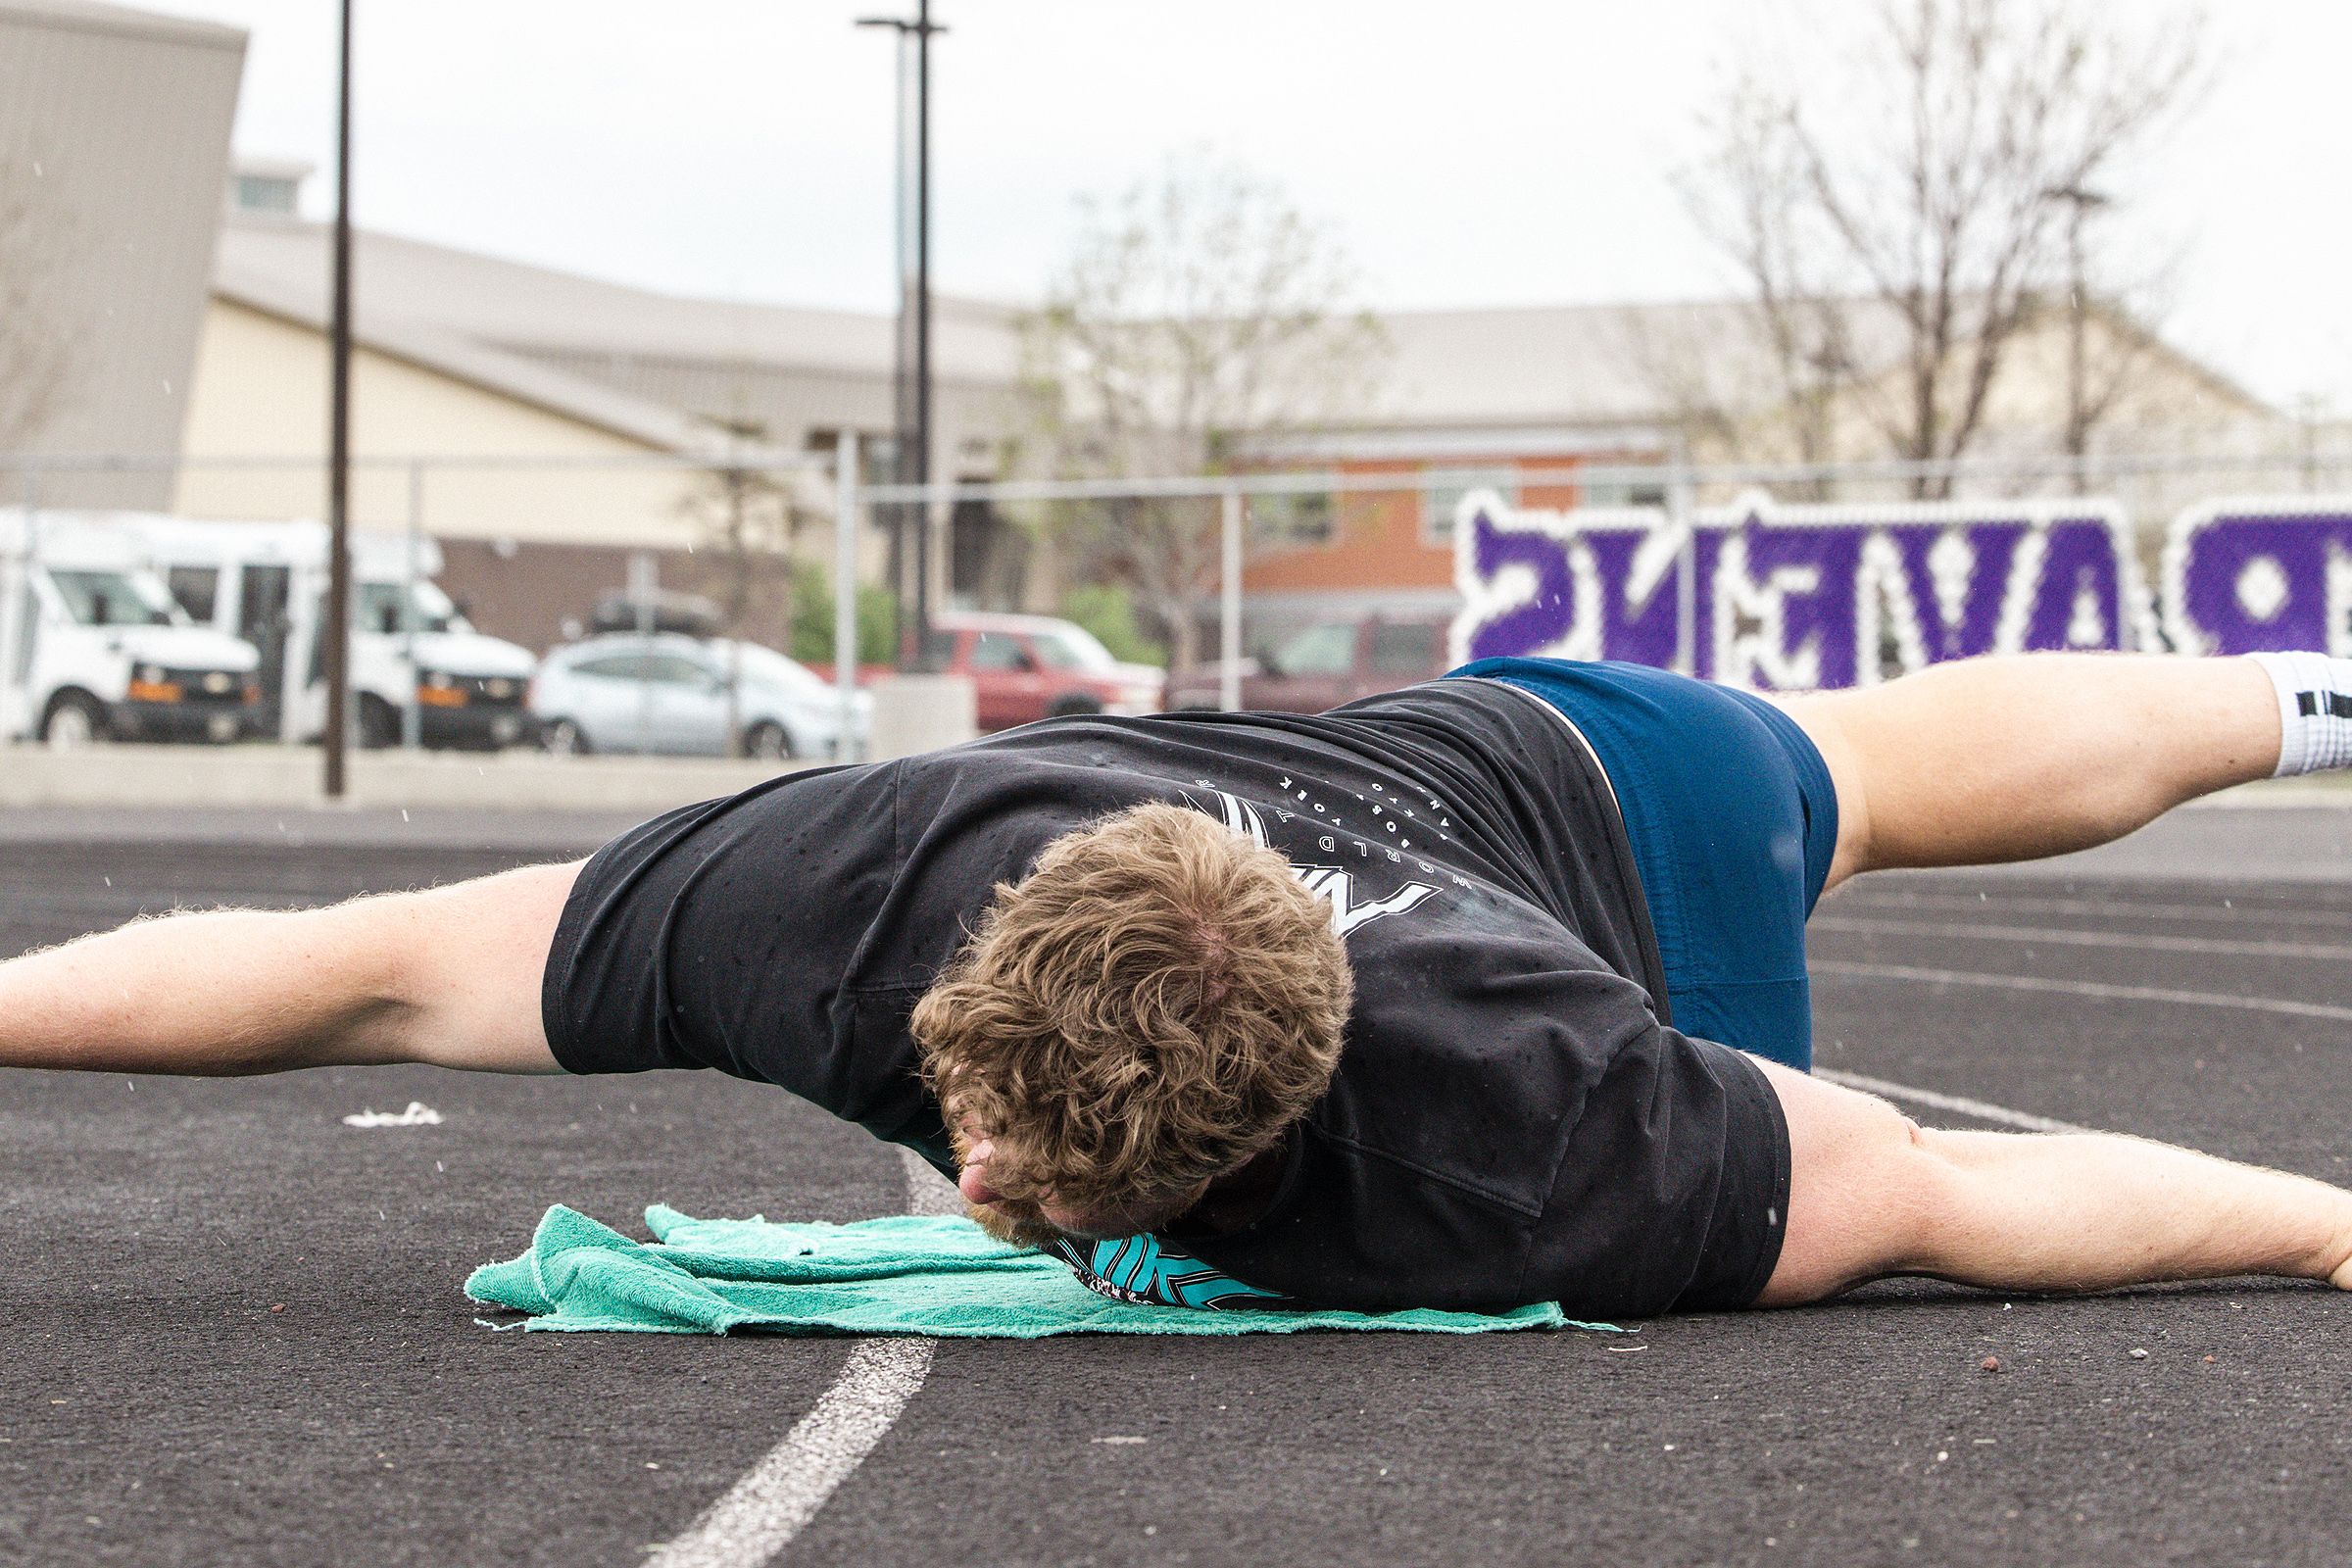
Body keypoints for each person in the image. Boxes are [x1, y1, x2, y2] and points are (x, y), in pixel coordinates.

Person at [6, 650, 2352, 1319]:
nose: (990, 1176)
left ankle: (2297, 706)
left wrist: (2328, 1217)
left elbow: (1948, 1184)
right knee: (1847, 744)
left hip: (1606, 817)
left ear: (1276, 1133)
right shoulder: (826, 893)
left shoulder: (1536, 1125)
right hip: (1437, 739)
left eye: (1057, 1174)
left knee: (1831, 766)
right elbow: (348, 973)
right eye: (982, 1123)